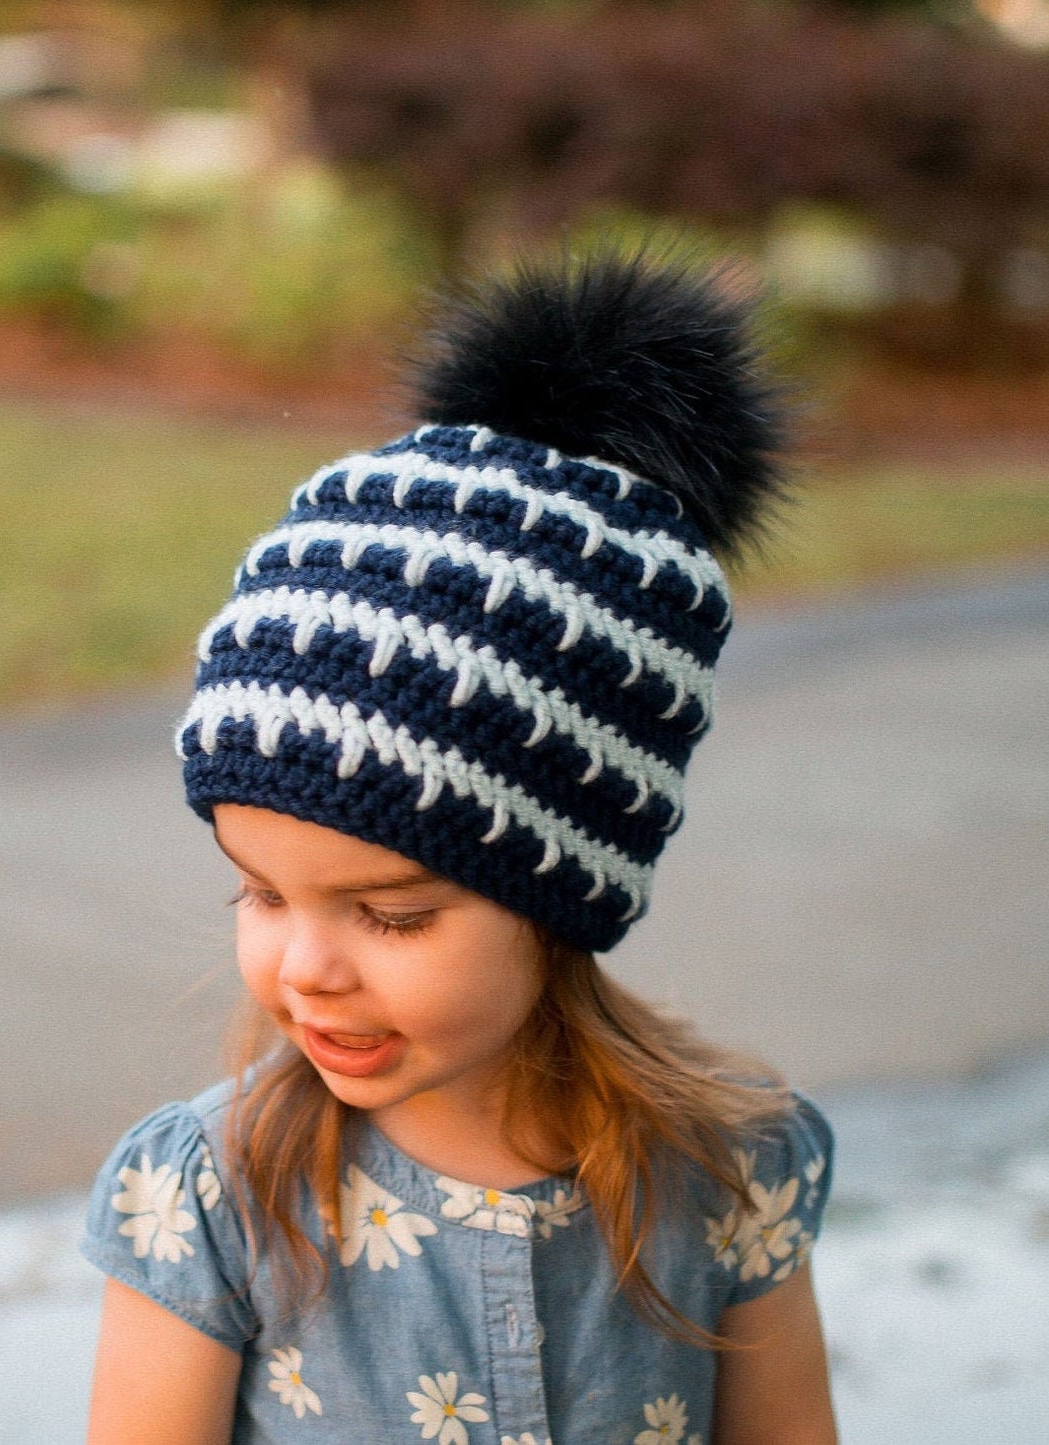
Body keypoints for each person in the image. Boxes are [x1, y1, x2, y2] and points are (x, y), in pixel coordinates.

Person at [80, 247, 839, 1444]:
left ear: (564, 891)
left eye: (389, 913)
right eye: (261, 894)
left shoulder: (722, 1172)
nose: (305, 967)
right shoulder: (216, 1198)